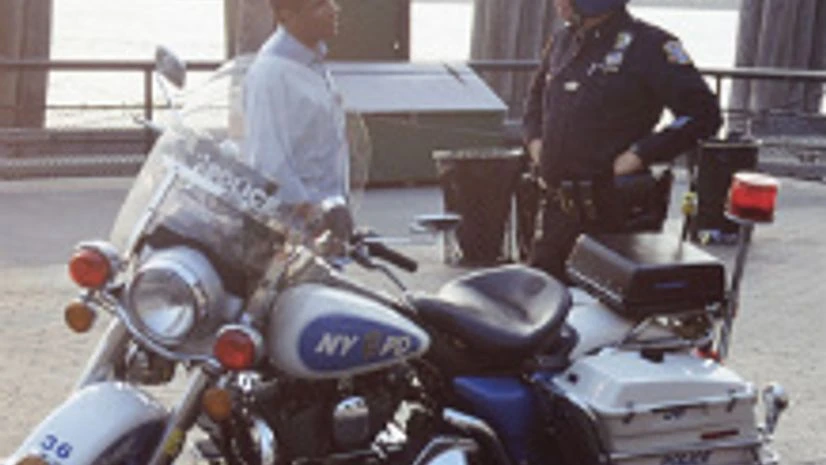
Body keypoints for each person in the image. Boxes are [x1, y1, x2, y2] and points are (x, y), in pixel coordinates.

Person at [522, 0, 722, 281]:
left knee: (606, 314)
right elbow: (533, 104)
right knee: (539, 303)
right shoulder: (562, 42)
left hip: (614, 214)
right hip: (557, 214)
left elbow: (703, 114)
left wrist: (640, 154)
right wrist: (536, 144)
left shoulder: (651, 46)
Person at [243, 0, 349, 218]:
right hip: (300, 224)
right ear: (286, 15)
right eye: (320, 5)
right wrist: (310, 214)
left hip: (329, 214)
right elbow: (268, 162)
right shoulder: (270, 74)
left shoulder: (312, 62)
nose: (333, 9)